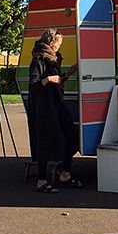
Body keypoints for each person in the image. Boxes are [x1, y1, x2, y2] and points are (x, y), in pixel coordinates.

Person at [27, 28, 81, 193]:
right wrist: (48, 79)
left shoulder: (53, 60)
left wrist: (70, 73)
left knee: (71, 135)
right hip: (44, 106)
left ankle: (65, 172)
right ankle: (41, 181)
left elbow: (57, 82)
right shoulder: (38, 60)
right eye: (58, 44)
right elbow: (33, 85)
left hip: (56, 103)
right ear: (50, 43)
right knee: (45, 141)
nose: (59, 47)